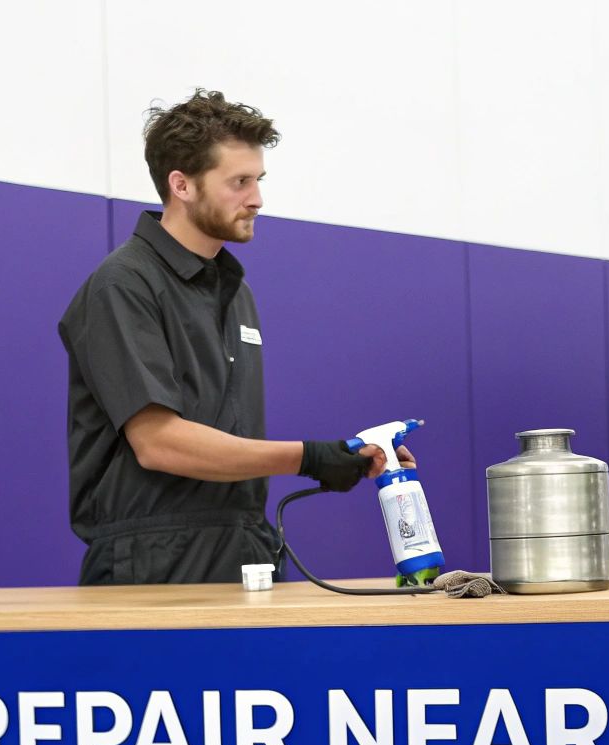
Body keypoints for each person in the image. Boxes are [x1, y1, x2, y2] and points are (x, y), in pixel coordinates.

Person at [59, 89, 392, 585]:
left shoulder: (237, 294)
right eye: (238, 182)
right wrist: (307, 457)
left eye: (257, 180)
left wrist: (342, 455)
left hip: (245, 550)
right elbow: (159, 443)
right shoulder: (123, 284)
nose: (256, 198)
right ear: (182, 185)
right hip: (152, 565)